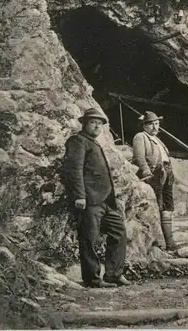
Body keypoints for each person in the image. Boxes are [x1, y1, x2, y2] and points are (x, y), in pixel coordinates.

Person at [63, 107, 130, 288]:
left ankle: (113, 275)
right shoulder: (78, 141)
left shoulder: (93, 142)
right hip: (89, 200)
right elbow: (74, 170)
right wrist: (79, 195)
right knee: (89, 239)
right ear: (84, 123)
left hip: (105, 201)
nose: (97, 126)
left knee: (119, 232)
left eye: (99, 123)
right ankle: (92, 279)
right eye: (93, 122)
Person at [132, 111, 176, 251]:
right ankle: (161, 242)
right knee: (158, 204)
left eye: (156, 124)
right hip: (154, 174)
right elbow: (139, 156)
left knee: (168, 205)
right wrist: (145, 170)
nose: (155, 127)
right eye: (151, 124)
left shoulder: (158, 140)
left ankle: (170, 241)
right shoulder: (141, 137)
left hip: (166, 172)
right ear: (144, 125)